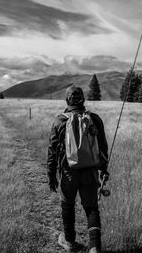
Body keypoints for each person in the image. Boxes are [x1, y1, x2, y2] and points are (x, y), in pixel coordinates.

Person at [47, 85, 109, 253]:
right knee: (91, 208)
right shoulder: (95, 119)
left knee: (67, 205)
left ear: (67, 100)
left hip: (68, 173)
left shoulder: (60, 121)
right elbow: (102, 148)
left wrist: (51, 176)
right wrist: (104, 170)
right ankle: (94, 247)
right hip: (90, 171)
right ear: (83, 100)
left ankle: (69, 241)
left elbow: (52, 153)